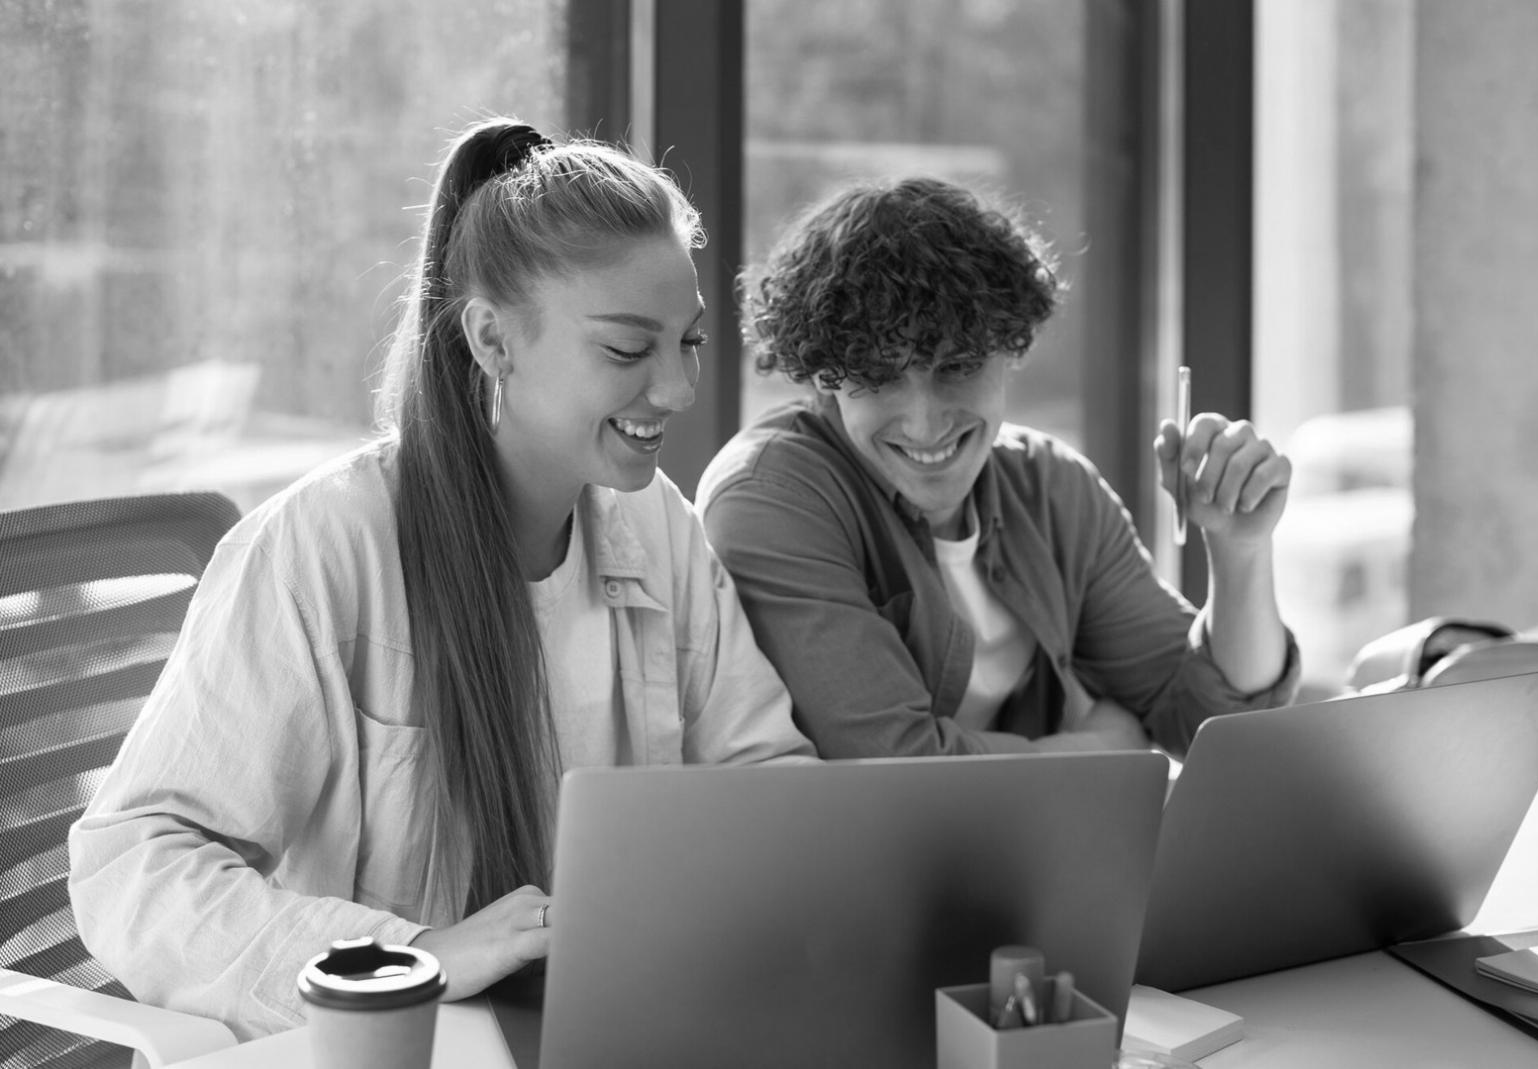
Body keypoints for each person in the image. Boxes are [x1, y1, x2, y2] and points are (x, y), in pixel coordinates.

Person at [68, 118, 815, 1040]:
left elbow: (768, 776)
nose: (675, 389)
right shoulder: (323, 547)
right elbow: (134, 866)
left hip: (606, 1026)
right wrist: (413, 951)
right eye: (628, 351)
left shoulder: (654, 521)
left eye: (690, 342)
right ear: (493, 341)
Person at [696, 176, 1300, 759]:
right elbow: (887, 765)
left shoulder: (1052, 489)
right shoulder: (770, 497)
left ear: (1009, 348)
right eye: (878, 378)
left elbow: (1218, 730)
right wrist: (1099, 749)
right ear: (824, 379)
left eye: (956, 365)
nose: (925, 424)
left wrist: (1239, 550)